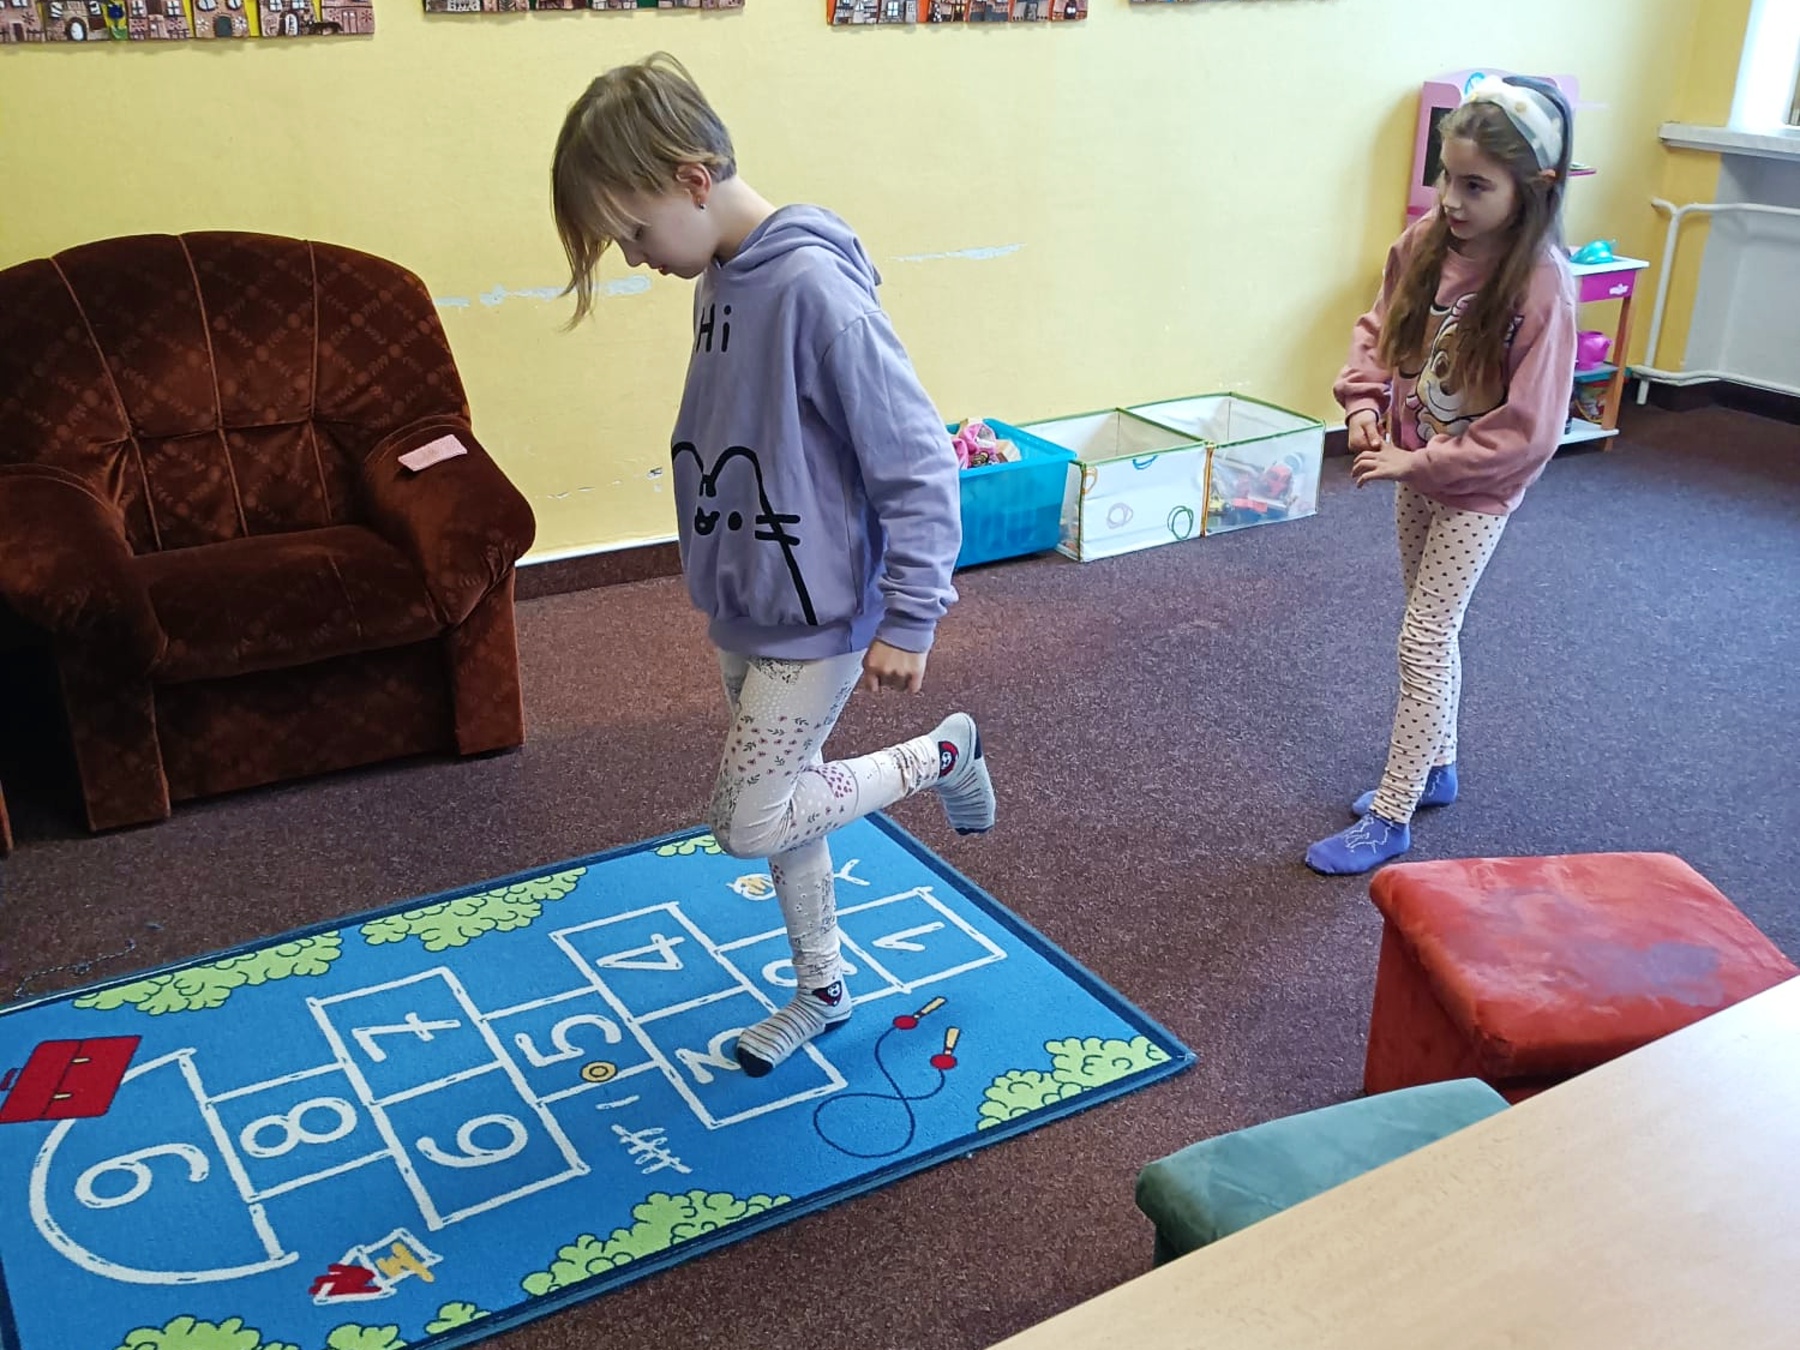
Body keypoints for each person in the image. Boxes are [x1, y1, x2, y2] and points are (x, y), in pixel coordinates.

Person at [551, 54, 995, 1073]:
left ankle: (941, 756)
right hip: (746, 596)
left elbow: (918, 459)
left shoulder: (812, 288)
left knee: (747, 822)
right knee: (790, 809)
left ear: (691, 179)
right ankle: (822, 988)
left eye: (634, 232)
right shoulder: (719, 274)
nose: (635, 258)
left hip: (818, 613)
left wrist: (912, 615)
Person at [1306, 74, 1579, 876]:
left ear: (1534, 188)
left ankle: (1391, 815)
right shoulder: (1425, 243)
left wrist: (1421, 458)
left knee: (1423, 637)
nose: (1450, 200)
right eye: (1445, 177)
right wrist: (1363, 403)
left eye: (1475, 186)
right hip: (1414, 467)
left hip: (1478, 489)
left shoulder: (1542, 286)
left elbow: (1530, 430)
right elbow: (1379, 330)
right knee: (1432, 626)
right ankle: (1438, 768)